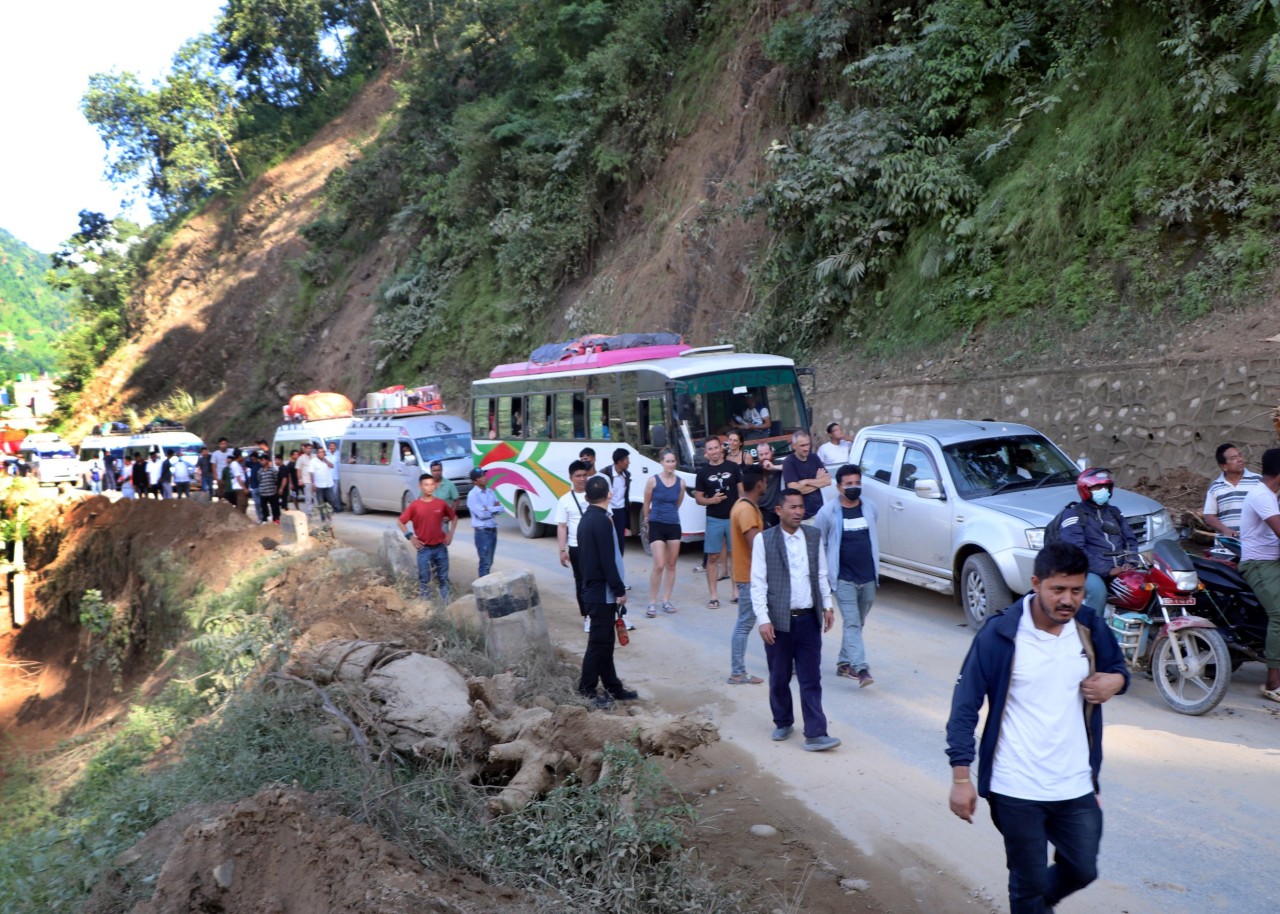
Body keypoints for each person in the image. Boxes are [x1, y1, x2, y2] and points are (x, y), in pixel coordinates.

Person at [945, 541, 1128, 914]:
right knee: (1028, 882)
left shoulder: (1090, 627)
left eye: (1076, 590)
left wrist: (1116, 682)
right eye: (1058, 589)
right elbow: (964, 707)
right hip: (1015, 786)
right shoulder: (1000, 634)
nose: (1068, 600)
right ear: (1035, 583)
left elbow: (1118, 669)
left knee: (1082, 868)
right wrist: (961, 777)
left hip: (1075, 782)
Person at [749, 488, 840, 751]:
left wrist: (827, 606)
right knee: (779, 677)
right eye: (793, 507)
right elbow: (758, 582)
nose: (799, 512)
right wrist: (763, 619)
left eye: (801, 507)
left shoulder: (813, 536)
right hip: (778, 622)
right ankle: (783, 721)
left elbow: (821, 573)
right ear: (779, 510)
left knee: (811, 678)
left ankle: (816, 733)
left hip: (808, 619)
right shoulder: (764, 540)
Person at [576, 475, 639, 708]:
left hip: (593, 589)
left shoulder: (586, 519)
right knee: (598, 644)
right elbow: (607, 560)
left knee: (605, 642)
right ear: (609, 495)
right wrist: (619, 590)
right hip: (600, 592)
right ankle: (586, 689)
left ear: (586, 497)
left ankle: (613, 687)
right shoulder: (602, 521)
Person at [815, 464, 880, 687]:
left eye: (857, 483)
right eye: (849, 484)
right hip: (844, 579)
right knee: (852, 623)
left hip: (868, 577)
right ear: (838, 487)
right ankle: (860, 668)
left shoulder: (870, 508)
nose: (854, 487)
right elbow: (820, 543)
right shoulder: (827, 513)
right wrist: (824, 576)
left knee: (858, 622)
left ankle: (844, 662)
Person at [1057, 467, 1140, 613]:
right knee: (1097, 590)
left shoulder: (1114, 512)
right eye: (1097, 487)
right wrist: (1108, 570)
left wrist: (1130, 562)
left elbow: (1130, 539)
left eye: (1106, 487)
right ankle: (1093, 626)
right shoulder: (1073, 514)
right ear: (1085, 489)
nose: (1103, 491)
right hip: (1084, 570)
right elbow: (1075, 550)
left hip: (1118, 567)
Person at [1236, 447, 1280, 701]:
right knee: (1279, 614)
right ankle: (1273, 682)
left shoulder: (1271, 495)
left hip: (1272, 561)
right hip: (1258, 563)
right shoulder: (1262, 495)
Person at [728, 466, 766, 685]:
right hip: (750, 577)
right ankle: (737, 672)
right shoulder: (746, 510)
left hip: (749, 575)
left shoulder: (743, 506)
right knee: (744, 624)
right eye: (765, 481)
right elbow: (757, 546)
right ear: (759, 484)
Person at [695, 436, 741, 608]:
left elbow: (742, 493)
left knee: (735, 555)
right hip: (714, 518)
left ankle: (736, 592)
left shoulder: (733, 467)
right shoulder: (702, 472)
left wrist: (743, 512)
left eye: (716, 448)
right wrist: (711, 500)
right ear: (706, 452)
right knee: (713, 557)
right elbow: (698, 498)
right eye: (710, 449)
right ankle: (713, 596)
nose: (714, 451)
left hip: (733, 517)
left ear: (721, 448)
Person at [397, 472, 457, 603]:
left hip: (440, 547)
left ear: (435, 486)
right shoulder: (415, 505)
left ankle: (446, 606)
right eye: (426, 485)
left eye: (431, 484)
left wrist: (450, 534)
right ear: (420, 486)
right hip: (424, 548)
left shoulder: (440, 504)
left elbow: (454, 517)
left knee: (443, 578)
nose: (429, 487)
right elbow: (400, 522)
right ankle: (426, 607)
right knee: (424, 580)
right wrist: (411, 537)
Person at [642, 448, 684, 617]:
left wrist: (669, 514)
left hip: (673, 524)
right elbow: (646, 502)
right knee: (659, 564)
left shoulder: (681, 482)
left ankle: (666, 600)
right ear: (661, 463)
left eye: (673, 461)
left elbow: (678, 503)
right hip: (656, 524)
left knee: (671, 565)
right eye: (668, 461)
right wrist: (647, 520)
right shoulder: (653, 481)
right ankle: (652, 602)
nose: (671, 464)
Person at [555, 460, 593, 625]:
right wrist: (562, 550)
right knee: (581, 582)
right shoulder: (565, 500)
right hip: (577, 547)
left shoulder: (595, 495)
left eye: (584, 475)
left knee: (598, 581)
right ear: (571, 478)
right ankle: (587, 616)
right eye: (578, 476)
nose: (582, 479)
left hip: (596, 546)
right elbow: (562, 526)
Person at [1203, 442, 1263, 537]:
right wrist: (1225, 530)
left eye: (1240, 455)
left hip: (1255, 542)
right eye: (1233, 458)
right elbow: (1209, 516)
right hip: (1228, 543)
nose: (1240, 459)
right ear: (1224, 466)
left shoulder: (1258, 480)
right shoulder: (1215, 487)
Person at [782, 431, 830, 520]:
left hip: (820, 512)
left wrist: (806, 481)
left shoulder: (814, 458)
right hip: (802, 516)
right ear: (794, 446)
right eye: (802, 445)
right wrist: (818, 482)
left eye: (808, 444)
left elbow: (828, 481)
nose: (806, 448)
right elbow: (795, 489)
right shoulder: (789, 462)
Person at [466, 467, 502, 578]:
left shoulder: (490, 492)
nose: (485, 478)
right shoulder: (473, 495)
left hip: (492, 529)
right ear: (474, 481)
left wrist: (488, 508)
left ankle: (486, 583)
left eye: (484, 475)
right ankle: (483, 584)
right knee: (485, 562)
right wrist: (493, 509)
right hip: (482, 532)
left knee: (489, 561)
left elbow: (501, 509)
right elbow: (481, 514)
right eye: (481, 476)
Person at [600, 448, 632, 553]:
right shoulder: (605, 473)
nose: (629, 462)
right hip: (608, 511)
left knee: (620, 541)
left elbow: (626, 496)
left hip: (621, 511)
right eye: (627, 459)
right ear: (619, 462)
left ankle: (619, 561)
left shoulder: (626, 475)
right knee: (607, 539)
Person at [755, 441, 784, 529]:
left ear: (771, 452)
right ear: (758, 456)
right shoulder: (755, 469)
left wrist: (773, 467)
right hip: (762, 510)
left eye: (766, 453)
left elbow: (790, 466)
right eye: (761, 455)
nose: (764, 457)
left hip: (778, 509)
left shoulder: (778, 463)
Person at [311, 446, 340, 514]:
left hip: (328, 484)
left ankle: (329, 513)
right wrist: (313, 483)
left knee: (331, 499)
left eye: (323, 452)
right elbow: (311, 473)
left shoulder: (326, 459)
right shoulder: (313, 461)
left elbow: (332, 466)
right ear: (317, 454)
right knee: (321, 502)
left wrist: (325, 460)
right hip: (319, 485)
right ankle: (323, 517)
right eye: (320, 452)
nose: (322, 454)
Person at [258, 454, 282, 524]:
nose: (262, 462)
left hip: (272, 492)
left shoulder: (273, 470)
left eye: (263, 460)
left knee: (274, 507)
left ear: (267, 460)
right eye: (261, 460)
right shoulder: (259, 471)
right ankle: (265, 519)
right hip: (263, 493)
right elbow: (259, 480)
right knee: (264, 507)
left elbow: (276, 480)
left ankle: (276, 519)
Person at [296, 443, 315, 514]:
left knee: (315, 496)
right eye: (308, 448)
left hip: (314, 480)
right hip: (306, 480)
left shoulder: (314, 456)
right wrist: (300, 480)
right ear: (305, 449)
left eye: (310, 448)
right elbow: (299, 470)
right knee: (308, 497)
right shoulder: (301, 458)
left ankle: (316, 510)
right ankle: (309, 511)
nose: (309, 450)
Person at [327, 441, 343, 511]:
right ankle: (336, 507)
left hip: (337, 476)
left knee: (336, 493)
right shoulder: (327, 454)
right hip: (329, 477)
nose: (332, 447)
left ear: (335, 447)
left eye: (333, 446)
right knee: (333, 493)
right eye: (331, 446)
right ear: (329, 447)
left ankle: (338, 506)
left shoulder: (338, 454)